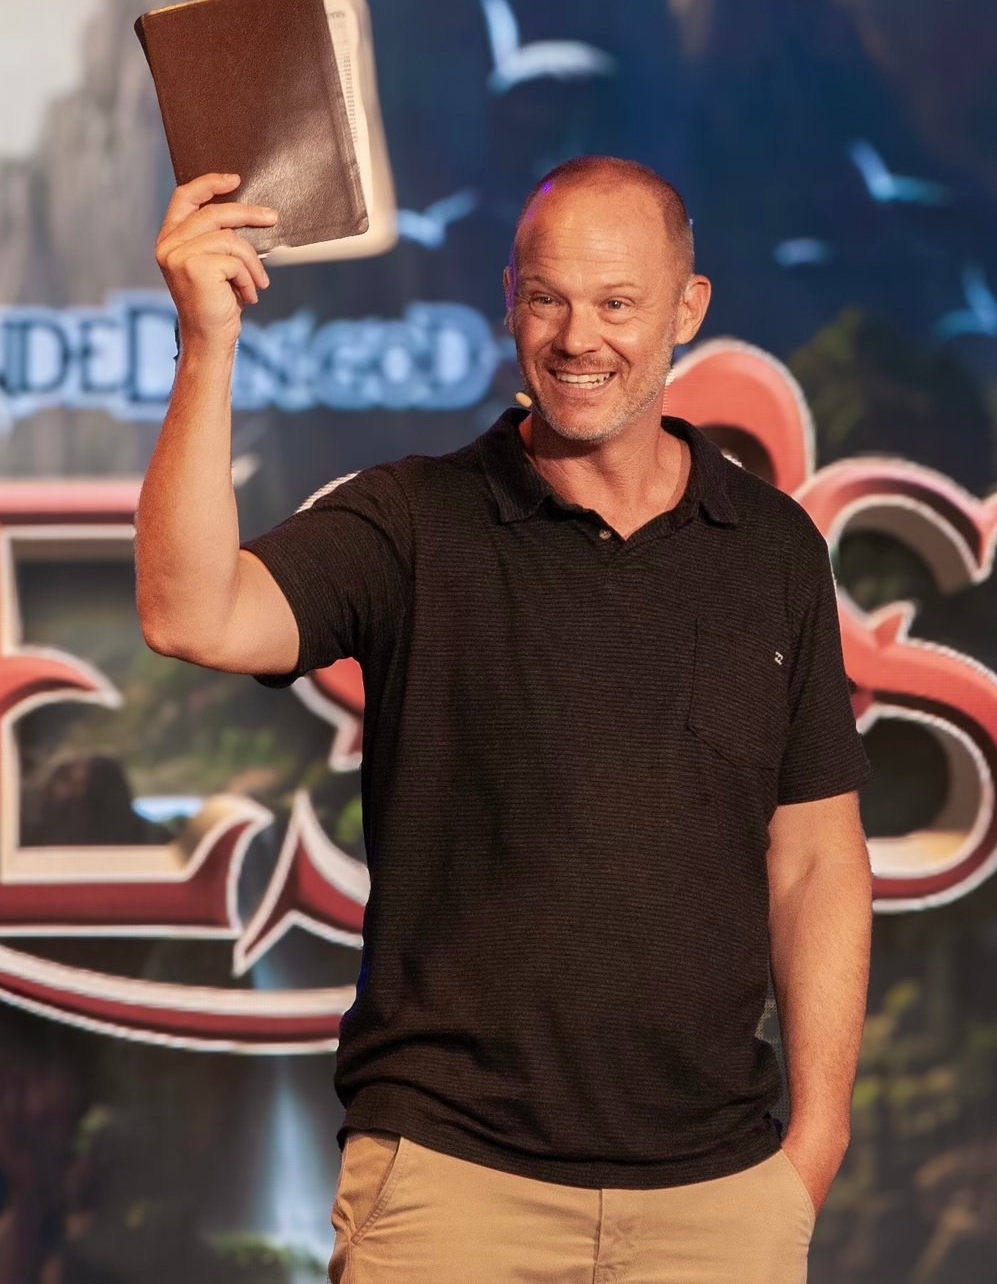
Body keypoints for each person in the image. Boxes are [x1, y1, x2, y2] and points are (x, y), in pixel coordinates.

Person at [136, 155, 873, 1284]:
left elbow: (817, 856)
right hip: (451, 1195)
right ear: (509, 300)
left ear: (688, 308)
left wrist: (813, 1149)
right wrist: (206, 345)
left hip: (718, 1204)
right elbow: (191, 612)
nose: (579, 338)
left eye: (618, 303)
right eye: (547, 299)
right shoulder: (412, 521)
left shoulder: (772, 550)